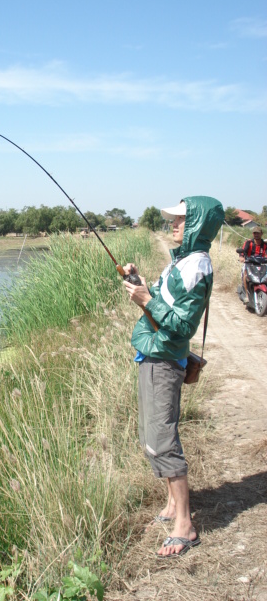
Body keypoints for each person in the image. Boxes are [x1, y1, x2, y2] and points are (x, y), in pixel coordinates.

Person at [123, 196, 224, 558]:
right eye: (173, 220)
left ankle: (185, 526)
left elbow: (182, 324)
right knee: (152, 432)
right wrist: (139, 284)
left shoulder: (197, 265)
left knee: (162, 438)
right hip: (154, 352)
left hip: (164, 358)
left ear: (198, 224)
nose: (173, 225)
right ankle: (170, 505)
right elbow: (167, 302)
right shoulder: (183, 261)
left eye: (181, 220)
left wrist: (146, 300)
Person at [238, 227, 267, 302]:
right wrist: (241, 257)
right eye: (255, 233)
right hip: (249, 263)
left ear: (261, 234)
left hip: (261, 264)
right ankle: (247, 296)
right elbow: (243, 251)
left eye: (258, 233)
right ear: (253, 234)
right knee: (245, 274)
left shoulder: (265, 244)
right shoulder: (249, 242)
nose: (256, 235)